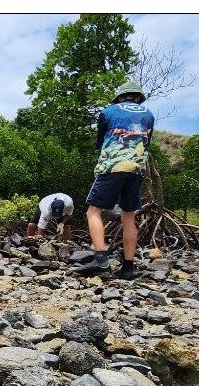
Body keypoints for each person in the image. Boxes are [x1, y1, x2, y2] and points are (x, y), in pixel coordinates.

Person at [72, 80, 155, 280]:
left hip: (113, 166)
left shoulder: (108, 112)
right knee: (128, 216)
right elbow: (146, 142)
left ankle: (100, 259)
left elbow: (101, 143)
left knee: (93, 211)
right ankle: (128, 267)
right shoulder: (149, 115)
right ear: (137, 97)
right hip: (136, 169)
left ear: (119, 96)